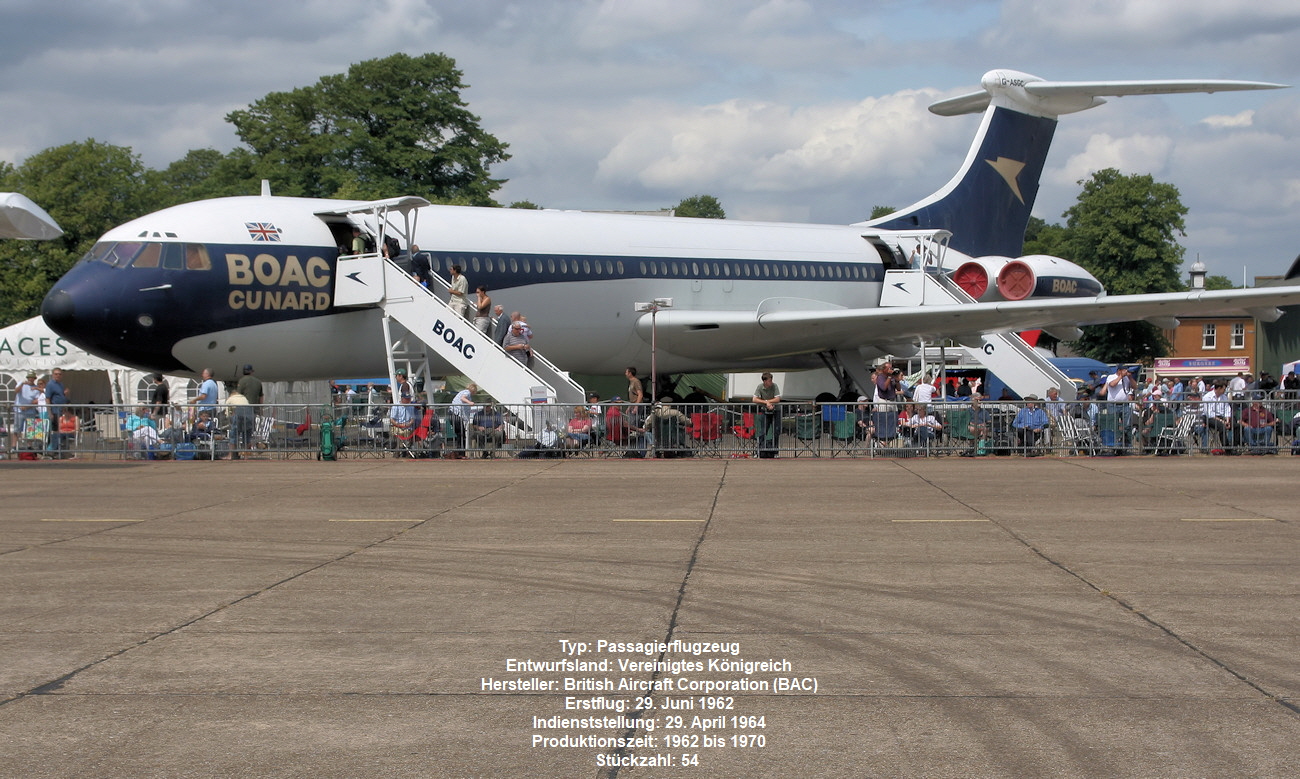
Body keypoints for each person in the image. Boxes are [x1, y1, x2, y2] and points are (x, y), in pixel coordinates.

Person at [753, 372, 782, 458]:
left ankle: (775, 452)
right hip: (765, 411)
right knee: (763, 431)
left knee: (776, 431)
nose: (771, 382)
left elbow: (777, 399)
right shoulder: (760, 387)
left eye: (771, 380)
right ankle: (759, 450)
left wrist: (769, 402)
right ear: (764, 381)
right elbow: (754, 399)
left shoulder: (774, 386)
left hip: (776, 411)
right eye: (769, 381)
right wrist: (766, 403)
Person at [449, 383, 477, 458]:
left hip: (453, 414)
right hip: (456, 414)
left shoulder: (463, 392)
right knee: (461, 434)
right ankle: (461, 453)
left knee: (459, 434)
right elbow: (463, 398)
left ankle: (459, 453)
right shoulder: (467, 392)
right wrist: (470, 402)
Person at [227, 389, 253, 459]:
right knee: (246, 436)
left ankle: (230, 455)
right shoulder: (244, 398)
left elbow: (227, 412)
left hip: (238, 413)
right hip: (249, 414)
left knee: (234, 435)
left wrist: (230, 419)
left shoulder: (230, 399)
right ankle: (246, 456)